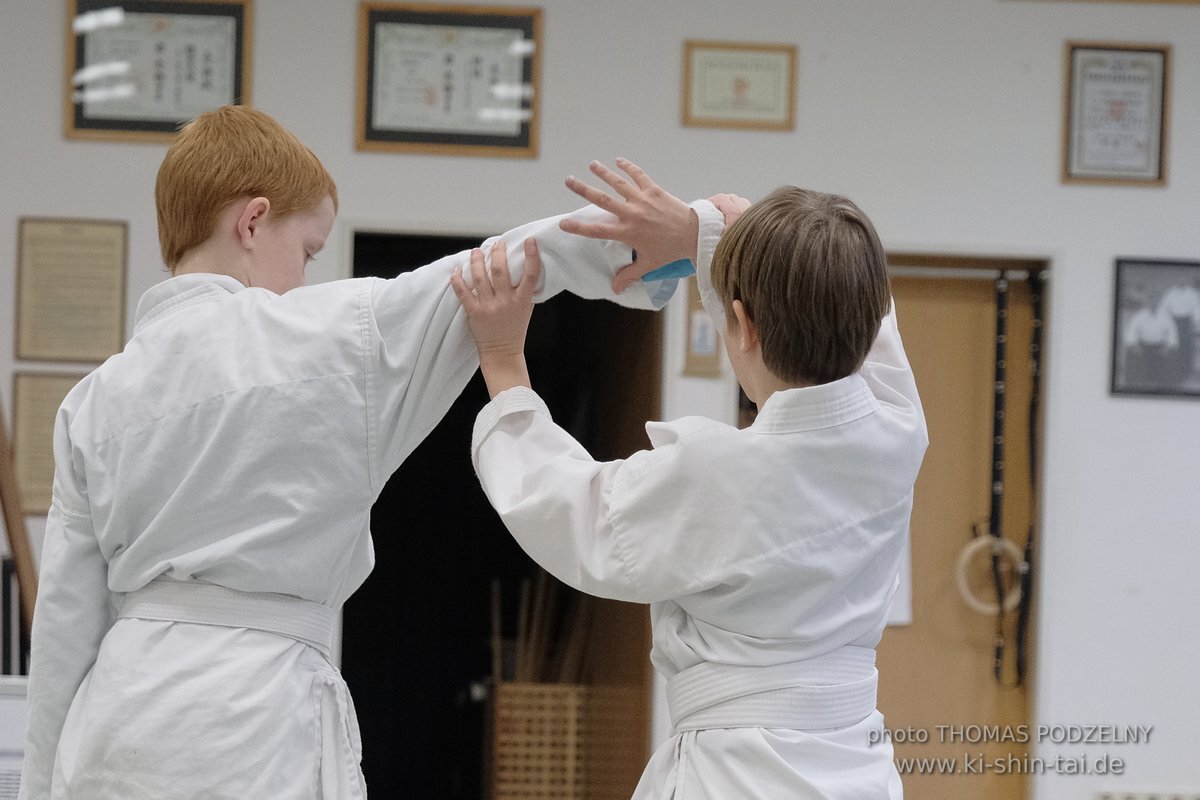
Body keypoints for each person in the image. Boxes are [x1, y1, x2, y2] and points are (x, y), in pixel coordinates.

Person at [19, 108, 721, 799]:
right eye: (309, 251)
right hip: (243, 728)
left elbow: (62, 632)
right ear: (253, 221)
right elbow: (500, 265)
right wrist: (689, 236)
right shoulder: (325, 334)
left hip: (114, 728)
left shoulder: (92, 401)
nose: (304, 279)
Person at [453, 160, 928, 799]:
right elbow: (862, 305)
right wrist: (707, 233)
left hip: (738, 776)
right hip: (857, 769)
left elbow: (568, 509)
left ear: (742, 326)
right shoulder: (898, 432)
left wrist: (504, 362)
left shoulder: (719, 477)